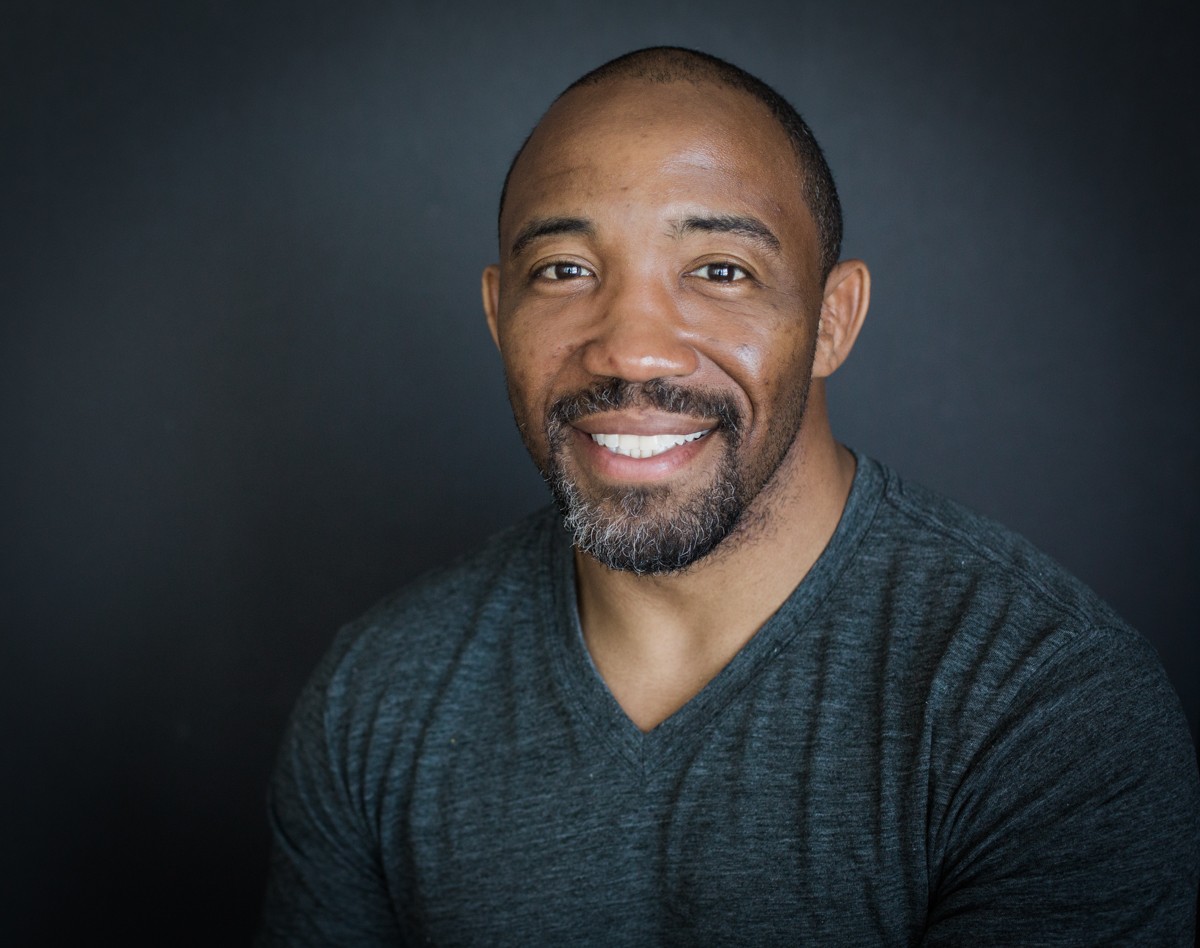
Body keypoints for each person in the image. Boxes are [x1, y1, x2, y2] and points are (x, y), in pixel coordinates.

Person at [258, 47, 1199, 944]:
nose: (633, 350)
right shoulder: (376, 696)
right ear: (499, 312)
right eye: (565, 271)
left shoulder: (1045, 708)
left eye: (720, 272)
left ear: (831, 320)